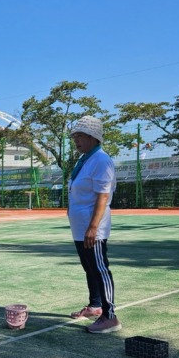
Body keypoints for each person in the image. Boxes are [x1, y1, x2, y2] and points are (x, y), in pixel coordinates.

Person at [68, 116, 121, 333]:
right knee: (89, 267)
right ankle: (95, 306)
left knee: (100, 269)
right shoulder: (85, 160)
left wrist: (93, 227)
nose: (76, 140)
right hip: (80, 227)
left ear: (93, 137)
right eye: (75, 136)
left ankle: (111, 317)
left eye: (80, 136)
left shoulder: (101, 160)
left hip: (92, 228)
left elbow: (102, 196)